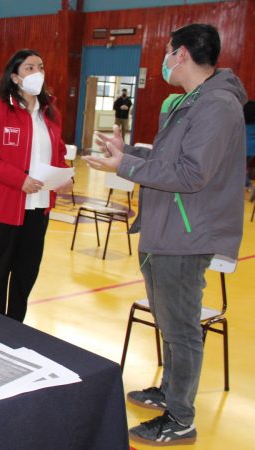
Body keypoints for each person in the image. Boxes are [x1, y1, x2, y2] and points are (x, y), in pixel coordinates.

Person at [85, 24, 247, 446]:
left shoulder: (216, 106)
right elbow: (168, 158)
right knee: (170, 322)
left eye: (168, 52)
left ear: (181, 55)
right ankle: (169, 392)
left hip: (185, 236)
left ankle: (180, 418)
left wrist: (122, 167)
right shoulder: (192, 102)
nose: (165, 59)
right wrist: (130, 154)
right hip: (165, 228)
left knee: (182, 330)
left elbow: (192, 175)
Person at [0, 49, 72, 323]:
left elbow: (58, 153)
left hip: (38, 209)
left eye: (40, 66)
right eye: (29, 68)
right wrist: (20, 180)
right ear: (15, 77)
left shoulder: (50, 113)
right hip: (3, 208)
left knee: (25, 274)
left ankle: (16, 327)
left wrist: (64, 177)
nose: (37, 72)